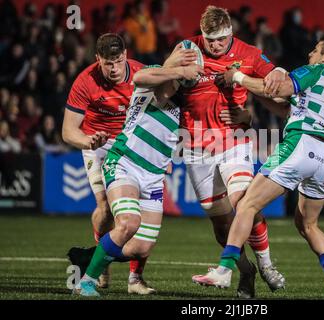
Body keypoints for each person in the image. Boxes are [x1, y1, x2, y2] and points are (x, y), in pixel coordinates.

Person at [192, 34, 324, 300]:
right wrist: (257, 93)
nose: (310, 54)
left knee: (246, 205)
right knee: (308, 224)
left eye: (315, 50)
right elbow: (285, 108)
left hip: (301, 145)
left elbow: (277, 88)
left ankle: (225, 268)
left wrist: (238, 78)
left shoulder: (316, 70)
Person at [70, 45, 204, 297]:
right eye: (185, 69)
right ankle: (85, 282)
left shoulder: (186, 105)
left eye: (193, 70)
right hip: (124, 163)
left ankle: (91, 256)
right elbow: (139, 77)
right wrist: (176, 68)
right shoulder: (151, 78)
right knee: (128, 223)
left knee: (141, 248)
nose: (188, 75)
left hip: (153, 177)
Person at [180, 5, 286, 298]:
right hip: (194, 147)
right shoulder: (189, 50)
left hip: (233, 142)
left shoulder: (248, 53)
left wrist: (249, 116)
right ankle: (246, 271)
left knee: (245, 202)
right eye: (209, 39)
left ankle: (266, 264)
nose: (214, 45)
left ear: (231, 33)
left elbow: (274, 74)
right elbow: (165, 84)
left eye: (221, 39)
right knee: (220, 222)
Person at [62, 33, 152, 294]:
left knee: (141, 212)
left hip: (132, 145)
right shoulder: (85, 81)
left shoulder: (142, 74)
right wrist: (88, 141)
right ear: (97, 59)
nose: (114, 69)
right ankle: (101, 264)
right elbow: (68, 131)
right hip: (97, 145)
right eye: (107, 63)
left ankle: (136, 278)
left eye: (118, 61)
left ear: (126, 55)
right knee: (105, 207)